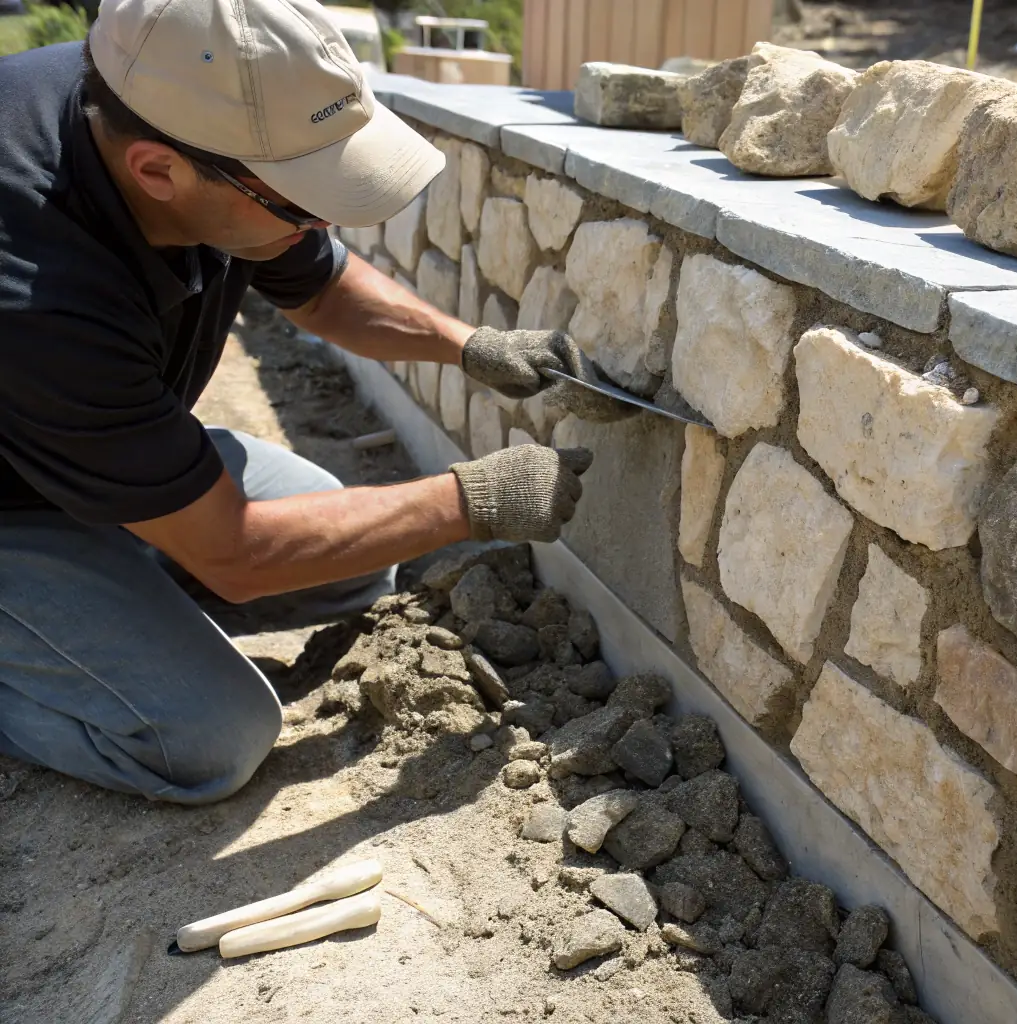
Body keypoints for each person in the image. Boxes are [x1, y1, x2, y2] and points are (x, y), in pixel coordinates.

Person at [0, 0, 623, 805]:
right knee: (208, 736)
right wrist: (477, 499)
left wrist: (469, 346)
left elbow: (321, 286)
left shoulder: (165, 99)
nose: (323, 218)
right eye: (300, 201)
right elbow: (238, 552)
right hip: (12, 502)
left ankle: (109, 583)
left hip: (69, 446)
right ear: (158, 172)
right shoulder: (34, 290)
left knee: (345, 570)